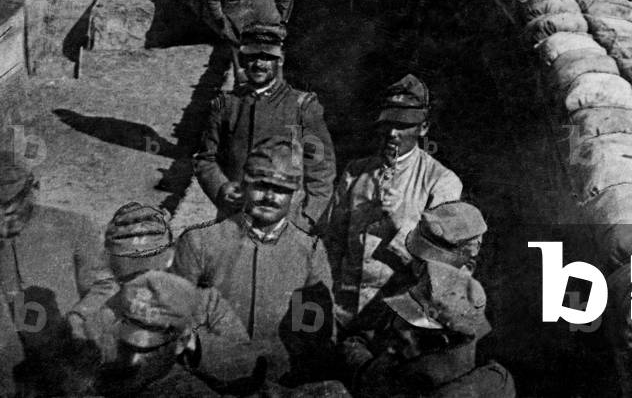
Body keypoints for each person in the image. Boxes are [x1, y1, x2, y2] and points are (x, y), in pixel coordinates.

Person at [174, 139, 335, 382]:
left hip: (281, 382)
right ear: (242, 186)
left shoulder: (309, 250)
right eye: (261, 185)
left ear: (295, 194)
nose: (270, 196)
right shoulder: (199, 241)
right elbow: (176, 317)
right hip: (211, 377)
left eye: (281, 190)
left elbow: (317, 331)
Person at [72, 202, 263, 392]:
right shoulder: (95, 306)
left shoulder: (204, 301)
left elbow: (247, 363)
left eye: (149, 262)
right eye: (131, 264)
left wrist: (192, 341)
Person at [326, 75, 462, 330]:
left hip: (393, 321)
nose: (392, 133)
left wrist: (396, 225)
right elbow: (332, 241)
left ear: (423, 128)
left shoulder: (441, 182)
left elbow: (438, 268)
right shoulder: (356, 172)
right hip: (342, 312)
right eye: (387, 123)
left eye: (402, 125)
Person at [193, 23, 336, 229]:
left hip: (287, 222)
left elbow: (321, 168)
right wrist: (222, 187)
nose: (259, 64)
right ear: (242, 59)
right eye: (252, 57)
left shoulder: (301, 107)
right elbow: (206, 159)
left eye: (267, 58)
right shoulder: (227, 104)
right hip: (235, 218)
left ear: (280, 60)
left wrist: (309, 217)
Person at [0, 150, 119, 395]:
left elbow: (104, 286)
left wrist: (78, 317)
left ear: (34, 189)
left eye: (12, 203)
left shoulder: (74, 225)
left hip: (66, 357)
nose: (5, 213)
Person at [346, 261, 515, 397]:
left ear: (439, 343)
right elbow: (368, 372)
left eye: (401, 341)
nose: (390, 349)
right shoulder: (486, 378)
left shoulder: (415, 378)